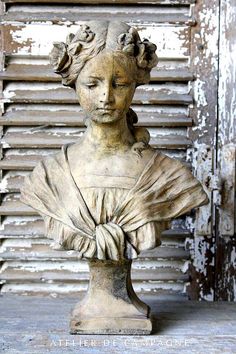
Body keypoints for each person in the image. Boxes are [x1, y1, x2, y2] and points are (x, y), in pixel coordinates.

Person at [20, 21, 208, 261]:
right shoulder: (47, 177)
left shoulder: (167, 176)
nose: (106, 97)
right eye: (92, 84)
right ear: (74, 84)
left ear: (135, 85)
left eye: (119, 84)